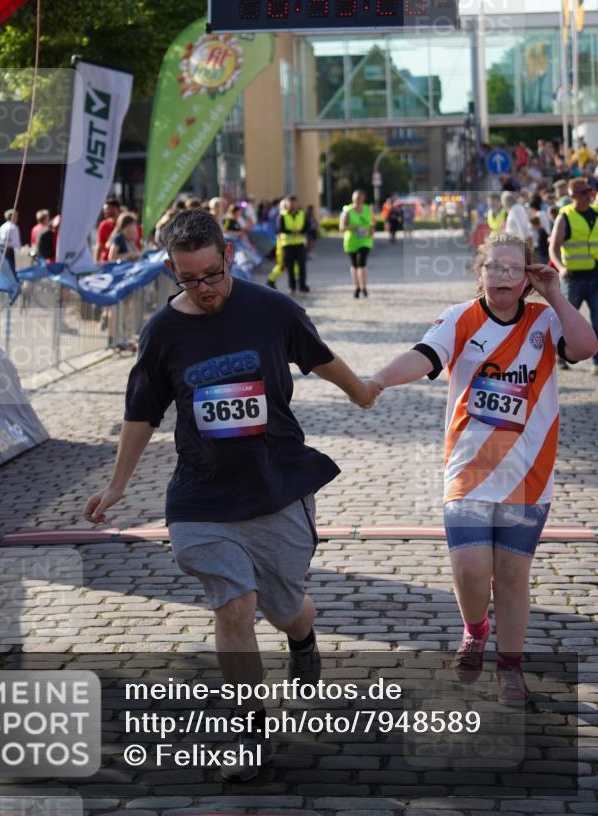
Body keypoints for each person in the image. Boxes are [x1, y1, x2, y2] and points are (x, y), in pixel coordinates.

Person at [83, 209, 377, 780]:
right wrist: (119, 484)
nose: (205, 288)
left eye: (212, 274)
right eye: (189, 279)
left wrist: (362, 391)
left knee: (284, 609)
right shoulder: (162, 333)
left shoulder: (272, 308)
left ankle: (303, 635)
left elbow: (320, 358)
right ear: (170, 268)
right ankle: (250, 730)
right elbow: (142, 411)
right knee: (234, 605)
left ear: (230, 255)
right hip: (202, 494)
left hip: (276, 483)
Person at [368, 233, 597, 706]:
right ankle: (476, 629)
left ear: (529, 277)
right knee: (472, 570)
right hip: (470, 470)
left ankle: (510, 668)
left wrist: (556, 292)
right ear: (480, 273)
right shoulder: (460, 319)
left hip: (528, 470)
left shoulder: (546, 318)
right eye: (494, 267)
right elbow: (424, 356)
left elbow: (585, 346)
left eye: (515, 269)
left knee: (512, 575)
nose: (504, 277)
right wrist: (379, 379)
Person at [548, 177, 598, 376]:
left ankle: (596, 361)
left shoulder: (596, 213)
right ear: (572, 196)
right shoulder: (565, 217)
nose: (589, 194)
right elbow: (554, 247)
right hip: (573, 278)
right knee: (566, 320)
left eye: (589, 190)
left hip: (595, 276)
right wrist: (560, 268)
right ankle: (560, 355)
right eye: (584, 192)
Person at [339, 189, 374, 298]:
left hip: (365, 241)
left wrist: (371, 230)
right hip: (351, 241)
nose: (358, 200)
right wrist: (353, 228)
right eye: (356, 198)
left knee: (361, 262)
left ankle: (364, 287)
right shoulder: (347, 211)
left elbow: (372, 223)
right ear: (352, 198)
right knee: (354, 265)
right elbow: (341, 227)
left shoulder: (367, 209)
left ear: (363, 198)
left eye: (360, 198)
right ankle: (356, 287)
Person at [277, 194, 309, 295]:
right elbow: (280, 228)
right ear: (287, 203)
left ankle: (302, 286)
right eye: (290, 203)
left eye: (294, 203)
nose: (292, 205)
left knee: (302, 266)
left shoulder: (302, 214)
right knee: (290, 267)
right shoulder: (283, 215)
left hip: (300, 244)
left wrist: (300, 231)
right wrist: (291, 232)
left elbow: (308, 226)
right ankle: (292, 287)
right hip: (288, 244)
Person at [95, 197, 121, 262]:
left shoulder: (126, 223)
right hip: (107, 262)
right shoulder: (103, 225)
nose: (104, 211)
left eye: (107, 209)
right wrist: (96, 262)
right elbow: (100, 246)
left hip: (124, 261)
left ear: (115, 208)